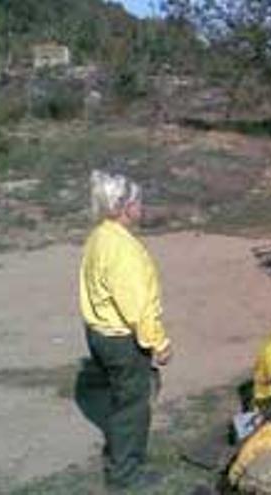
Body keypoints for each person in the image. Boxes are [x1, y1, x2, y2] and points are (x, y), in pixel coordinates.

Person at [79, 170, 172, 490]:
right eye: (137, 201)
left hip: (99, 333)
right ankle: (126, 477)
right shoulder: (123, 249)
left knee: (121, 399)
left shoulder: (100, 236)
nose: (141, 207)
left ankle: (121, 457)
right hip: (121, 339)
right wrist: (159, 343)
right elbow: (137, 307)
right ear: (124, 206)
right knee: (132, 407)